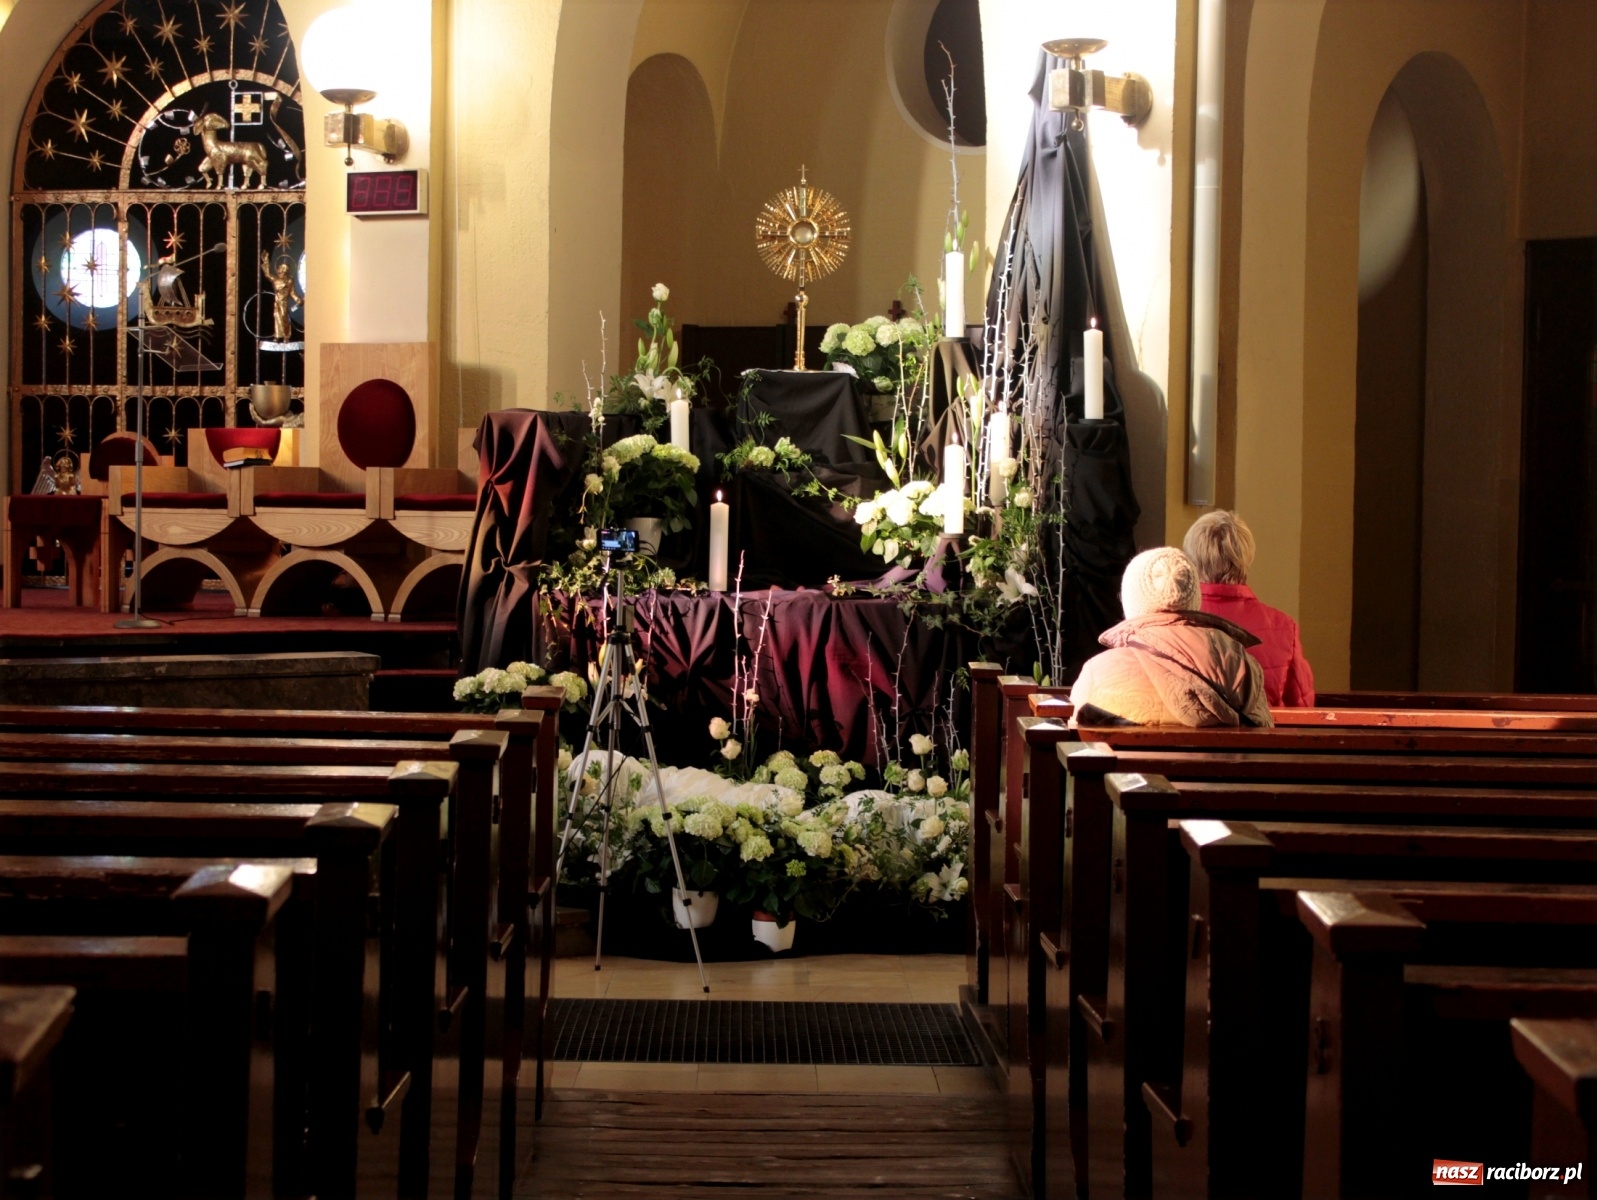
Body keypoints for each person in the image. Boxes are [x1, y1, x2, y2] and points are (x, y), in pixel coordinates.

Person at [1070, 547, 1273, 727]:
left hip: (1132, 770)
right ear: (1193, 600)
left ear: (1130, 602)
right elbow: (1264, 734)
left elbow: (1075, 746)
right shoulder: (1246, 666)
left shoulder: (1099, 671)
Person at [1182, 510, 1315, 707]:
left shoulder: (1170, 622)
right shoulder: (1283, 627)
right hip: (1261, 736)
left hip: (1183, 738)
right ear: (1246, 557)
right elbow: (1303, 709)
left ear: (1191, 560)